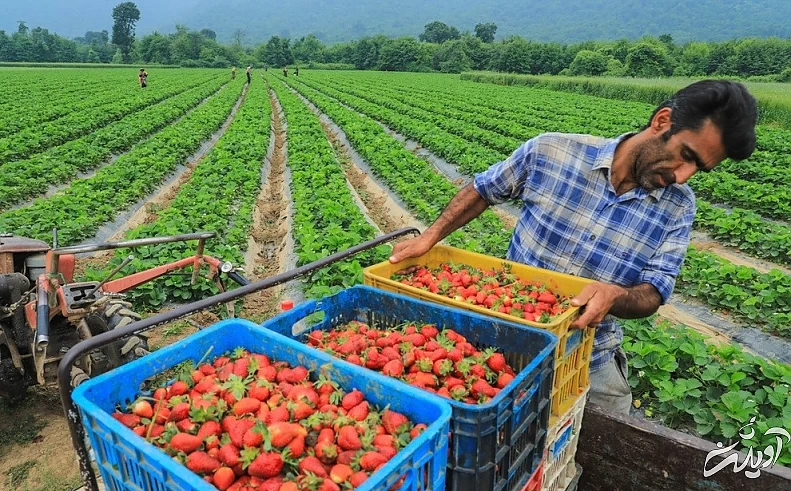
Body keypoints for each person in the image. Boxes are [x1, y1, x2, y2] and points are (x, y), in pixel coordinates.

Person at [389, 80, 758, 415]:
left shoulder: (679, 204)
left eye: (700, 169)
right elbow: (485, 189)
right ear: (662, 121)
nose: (682, 175)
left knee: (608, 438)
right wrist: (430, 236)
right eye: (687, 155)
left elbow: (655, 289)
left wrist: (613, 295)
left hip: (589, 355)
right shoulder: (552, 151)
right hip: (509, 337)